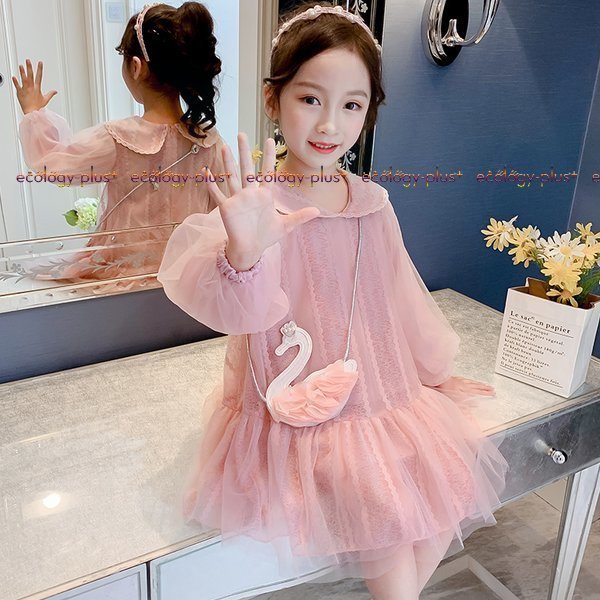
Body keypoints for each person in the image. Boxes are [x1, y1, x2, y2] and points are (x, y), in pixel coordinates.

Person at [157, 2, 509, 598]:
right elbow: (240, 311)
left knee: (441, 495)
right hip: (298, 412)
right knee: (394, 523)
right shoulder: (260, 208)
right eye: (310, 98)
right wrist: (244, 254)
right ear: (273, 101)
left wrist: (435, 372)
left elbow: (399, 296)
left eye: (352, 105)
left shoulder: (373, 202)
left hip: (383, 392)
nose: (329, 125)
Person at [11, 2, 229, 287]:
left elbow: (52, 165)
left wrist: (33, 114)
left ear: (136, 67)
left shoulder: (119, 138)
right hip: (187, 284)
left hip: (125, 280)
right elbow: (226, 212)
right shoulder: (209, 140)